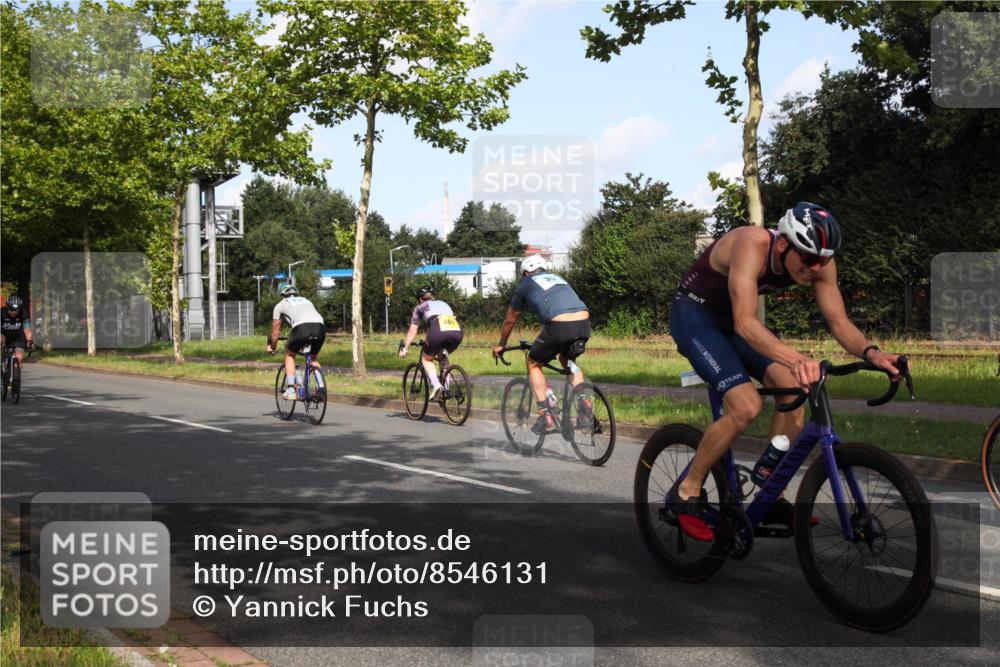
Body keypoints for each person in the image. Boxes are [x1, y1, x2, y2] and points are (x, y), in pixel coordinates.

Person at [668, 202, 906, 531]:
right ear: (783, 244)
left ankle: (770, 493)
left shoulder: (819, 260)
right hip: (696, 317)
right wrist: (798, 359)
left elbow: (839, 323)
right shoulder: (751, 244)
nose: (813, 269)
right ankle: (687, 490)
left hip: (735, 321)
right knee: (746, 406)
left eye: (821, 261)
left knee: (795, 392)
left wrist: (872, 354)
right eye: (807, 259)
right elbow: (745, 323)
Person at [492, 255, 591, 434]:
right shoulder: (559, 278)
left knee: (533, 363)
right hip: (584, 323)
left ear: (526, 272)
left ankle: (544, 414)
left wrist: (501, 344)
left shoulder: (526, 283)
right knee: (567, 360)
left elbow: (510, 319)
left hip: (560, 325)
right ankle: (584, 402)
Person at [399, 285, 463, 401]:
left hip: (438, 330)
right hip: (457, 332)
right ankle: (446, 390)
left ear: (420, 299)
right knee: (443, 358)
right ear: (433, 296)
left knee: (426, 359)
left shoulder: (419, 307)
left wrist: (405, 349)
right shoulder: (444, 304)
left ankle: (436, 385)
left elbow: (412, 331)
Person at [266, 284, 325, 400]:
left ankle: (291, 390)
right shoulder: (307, 301)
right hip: (320, 327)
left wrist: (272, 346)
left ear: (282, 295)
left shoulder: (280, 305)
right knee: (313, 357)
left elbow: (275, 332)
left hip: (301, 328)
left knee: (289, 354)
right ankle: (321, 389)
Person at [1, 295, 34, 365]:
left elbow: (27, 328)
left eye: (16, 310)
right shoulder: (2, 312)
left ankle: (16, 374)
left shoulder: (23, 313)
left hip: (18, 337)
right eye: (11, 310)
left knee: (19, 357)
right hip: (4, 335)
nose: (14, 312)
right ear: (7, 307)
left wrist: (29, 340)